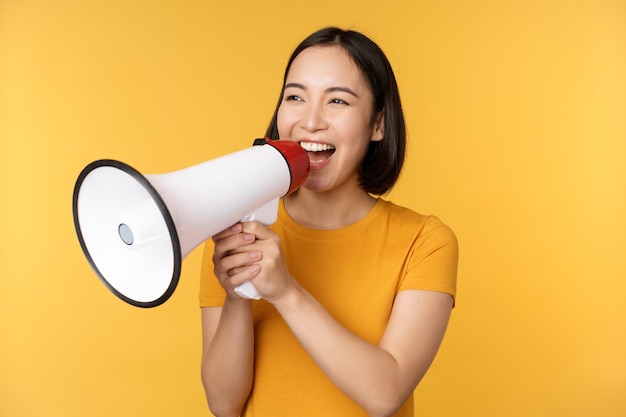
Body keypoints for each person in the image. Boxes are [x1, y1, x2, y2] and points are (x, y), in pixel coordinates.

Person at [199, 27, 458, 417]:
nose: (311, 121)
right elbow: (223, 405)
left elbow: (385, 393)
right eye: (295, 97)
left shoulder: (425, 241)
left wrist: (285, 292)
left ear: (378, 125)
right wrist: (238, 298)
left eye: (337, 100)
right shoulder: (234, 231)